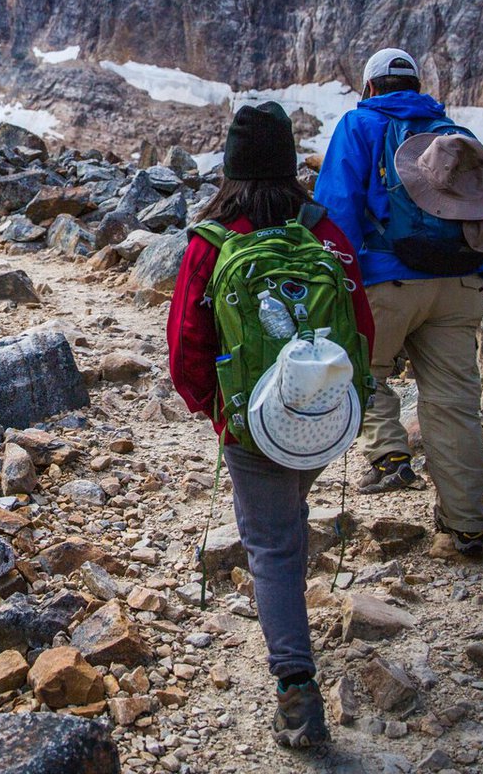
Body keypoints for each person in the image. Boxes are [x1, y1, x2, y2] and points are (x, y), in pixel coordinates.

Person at [168, 101, 375, 750]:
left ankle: (296, 691)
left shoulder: (211, 241)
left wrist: (222, 412)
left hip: (248, 429)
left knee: (274, 547)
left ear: (229, 168)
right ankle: (297, 650)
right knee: (288, 514)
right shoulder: (325, 231)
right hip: (324, 416)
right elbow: (361, 330)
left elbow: (184, 354)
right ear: (290, 164)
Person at [313, 47, 483, 559]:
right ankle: (465, 528)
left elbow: (337, 209)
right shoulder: (456, 134)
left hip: (387, 280)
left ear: (370, 87)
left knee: (361, 372)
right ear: (416, 85)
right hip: (460, 284)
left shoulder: (359, 126)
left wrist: (339, 282)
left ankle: (389, 457)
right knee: (454, 403)